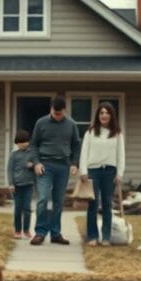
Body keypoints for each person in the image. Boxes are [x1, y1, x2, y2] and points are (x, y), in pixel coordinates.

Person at [29, 96, 81, 245]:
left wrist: (74, 163)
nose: (57, 116)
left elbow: (76, 145)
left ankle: (55, 233)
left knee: (58, 201)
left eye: (59, 113)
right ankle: (40, 232)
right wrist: (36, 163)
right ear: (51, 109)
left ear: (64, 111)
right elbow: (34, 145)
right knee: (43, 199)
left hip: (63, 166)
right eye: (54, 113)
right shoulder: (41, 123)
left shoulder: (71, 125)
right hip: (45, 166)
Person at [79, 102, 125, 246]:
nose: (104, 115)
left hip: (110, 172)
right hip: (93, 171)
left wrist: (120, 173)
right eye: (101, 113)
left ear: (111, 116)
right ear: (98, 115)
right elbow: (84, 152)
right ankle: (92, 236)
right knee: (93, 204)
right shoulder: (90, 132)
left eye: (107, 113)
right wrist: (83, 171)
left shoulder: (117, 133)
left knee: (107, 204)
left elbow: (121, 155)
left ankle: (106, 237)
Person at [6, 130, 36, 239]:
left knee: (27, 209)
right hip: (17, 186)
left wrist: (32, 165)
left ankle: (26, 230)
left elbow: (36, 165)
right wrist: (11, 183)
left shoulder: (32, 153)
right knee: (18, 208)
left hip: (28, 185)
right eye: (21, 142)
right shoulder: (14, 155)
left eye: (26, 142)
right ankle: (17, 230)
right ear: (17, 143)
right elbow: (10, 170)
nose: (24, 144)